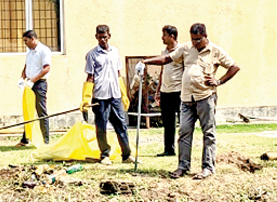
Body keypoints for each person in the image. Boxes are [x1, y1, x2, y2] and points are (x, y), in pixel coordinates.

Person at [142, 23, 239, 180]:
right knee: (184, 132)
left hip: (205, 97)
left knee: (208, 133)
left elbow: (234, 67)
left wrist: (219, 81)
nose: (194, 42)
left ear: (205, 37)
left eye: (198, 40)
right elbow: (167, 58)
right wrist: (147, 61)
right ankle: (183, 166)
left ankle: (207, 167)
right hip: (187, 99)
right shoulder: (187, 48)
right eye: (192, 39)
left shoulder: (215, 51)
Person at [81, 25, 133, 166]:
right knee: (102, 126)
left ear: (109, 36)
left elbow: (118, 73)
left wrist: (123, 93)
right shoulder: (92, 55)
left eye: (105, 37)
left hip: (114, 94)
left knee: (121, 124)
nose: (102, 40)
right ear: (96, 37)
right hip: (100, 96)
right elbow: (90, 76)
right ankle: (104, 154)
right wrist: (86, 97)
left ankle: (126, 154)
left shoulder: (115, 51)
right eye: (100, 37)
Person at [17, 30, 51, 146]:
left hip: (39, 84)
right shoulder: (30, 53)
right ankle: (25, 139)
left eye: (26, 41)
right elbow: (26, 67)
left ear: (32, 39)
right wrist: (22, 78)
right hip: (29, 84)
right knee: (28, 110)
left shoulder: (43, 50)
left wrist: (33, 80)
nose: (25, 43)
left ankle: (45, 140)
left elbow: (46, 68)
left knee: (41, 111)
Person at [155, 26, 182, 157]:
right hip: (165, 91)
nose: (162, 37)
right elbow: (162, 71)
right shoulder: (164, 51)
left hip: (179, 91)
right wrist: (158, 90)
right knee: (168, 122)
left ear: (172, 36)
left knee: (183, 122)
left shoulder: (182, 50)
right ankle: (168, 149)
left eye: (164, 35)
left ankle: (183, 149)